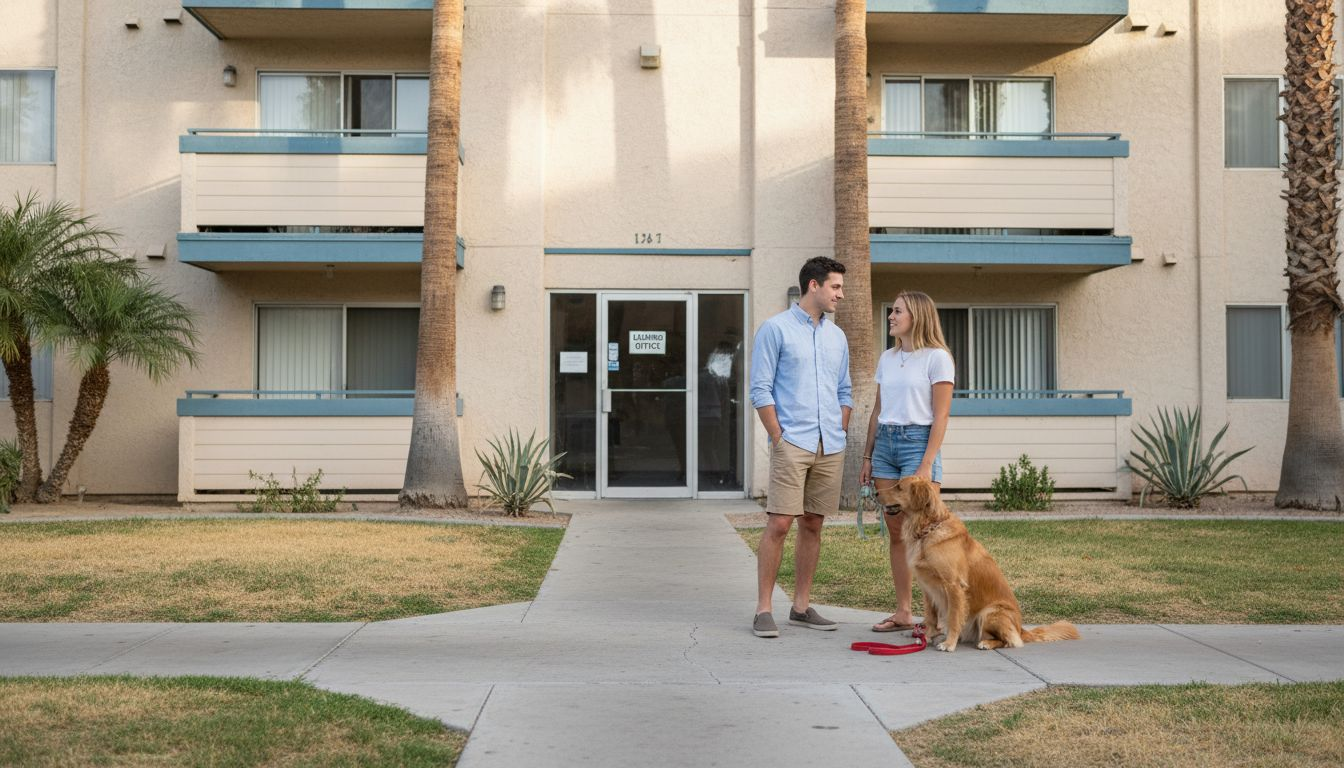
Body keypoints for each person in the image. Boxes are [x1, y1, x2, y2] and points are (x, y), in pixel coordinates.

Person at [749, 256, 853, 638]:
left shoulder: (836, 336)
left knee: (814, 523)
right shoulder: (775, 329)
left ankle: (801, 607)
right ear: (814, 285)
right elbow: (760, 389)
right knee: (779, 522)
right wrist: (778, 436)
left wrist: (841, 424)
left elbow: (844, 389)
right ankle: (763, 609)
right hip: (793, 440)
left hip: (830, 443)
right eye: (835, 287)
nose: (840, 294)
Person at [861, 290, 954, 633]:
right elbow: (877, 411)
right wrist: (868, 455)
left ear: (916, 316)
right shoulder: (887, 358)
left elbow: (941, 417)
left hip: (918, 443)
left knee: (926, 534)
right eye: (892, 311)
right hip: (886, 443)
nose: (891, 316)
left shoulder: (937, 358)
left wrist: (927, 463)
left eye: (897, 311)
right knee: (898, 534)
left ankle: (935, 618)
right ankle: (903, 612)